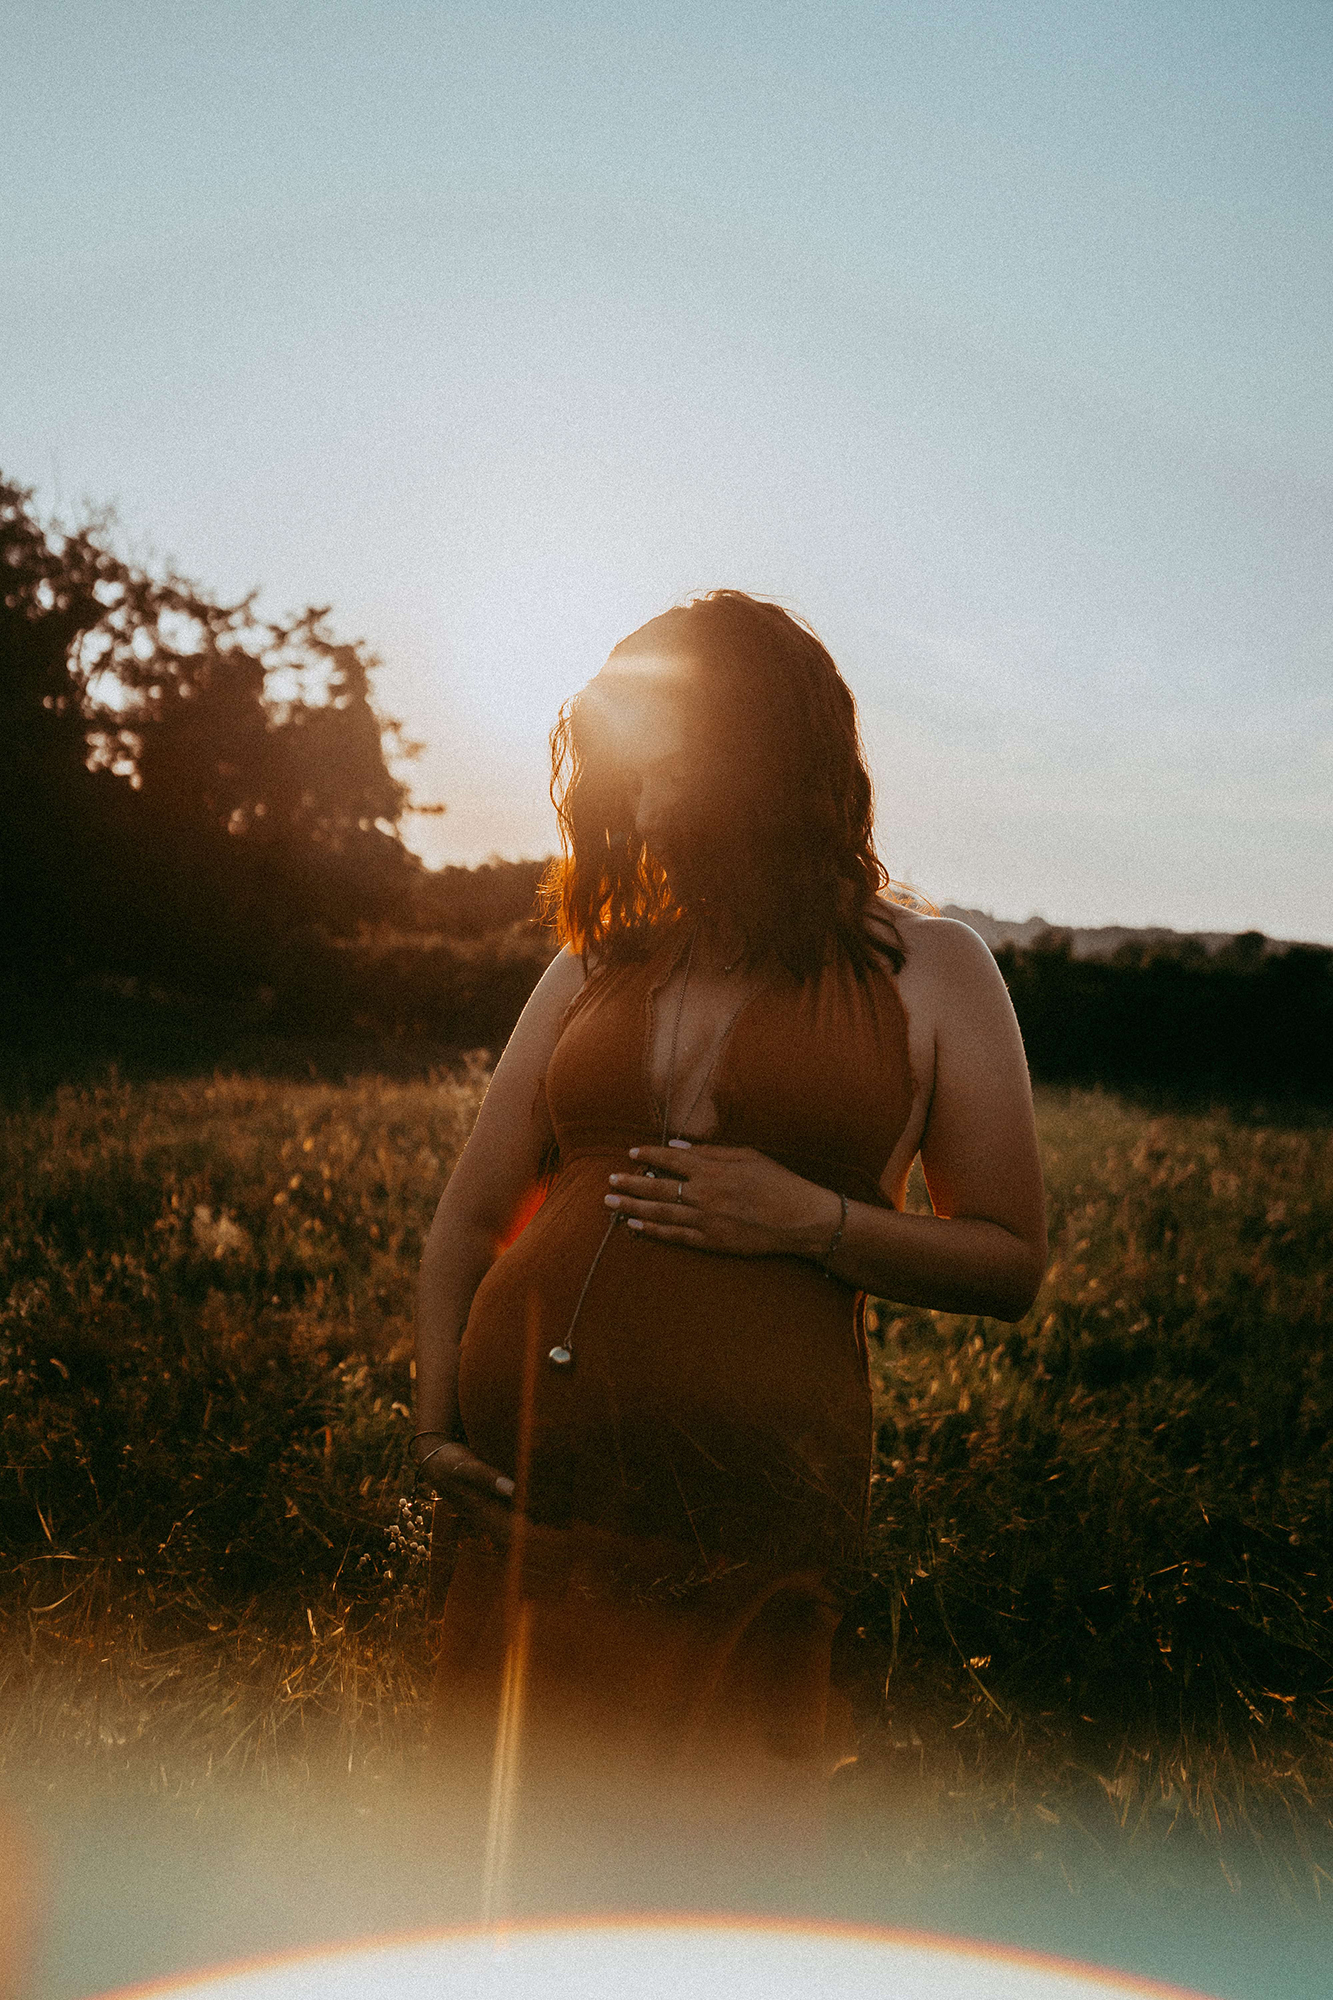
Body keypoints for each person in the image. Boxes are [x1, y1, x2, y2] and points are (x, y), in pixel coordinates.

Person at [413, 590, 1047, 1906]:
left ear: (765, 752)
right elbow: (470, 1219)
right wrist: (434, 1429)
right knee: (503, 1882)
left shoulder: (930, 971)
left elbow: (1006, 1260)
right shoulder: (589, 966)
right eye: (619, 749)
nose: (632, 780)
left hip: (746, 1539)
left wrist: (811, 1220)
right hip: (528, 1522)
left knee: (714, 1900)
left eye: (668, 743)